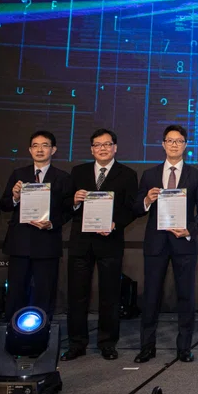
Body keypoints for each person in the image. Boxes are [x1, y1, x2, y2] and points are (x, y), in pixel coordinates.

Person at [133, 125, 198, 364]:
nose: (174, 145)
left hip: (183, 242)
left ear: (185, 145)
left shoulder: (196, 175)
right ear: (163, 144)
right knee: (151, 296)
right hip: (156, 243)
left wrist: (191, 229)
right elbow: (137, 207)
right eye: (170, 140)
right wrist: (147, 199)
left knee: (185, 295)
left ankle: (184, 347)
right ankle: (147, 346)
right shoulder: (149, 174)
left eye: (179, 141)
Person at [63, 128, 138, 361]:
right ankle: (77, 343)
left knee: (110, 295)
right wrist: (74, 201)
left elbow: (132, 208)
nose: (103, 148)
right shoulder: (78, 172)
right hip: (81, 243)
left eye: (107, 144)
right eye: (98, 145)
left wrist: (116, 223)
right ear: (92, 149)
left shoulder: (127, 174)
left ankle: (107, 343)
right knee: (77, 295)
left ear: (115, 147)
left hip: (110, 241)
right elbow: (64, 206)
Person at [0, 130, 73, 322]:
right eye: (35, 145)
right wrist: (15, 197)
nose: (40, 150)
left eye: (45, 145)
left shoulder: (63, 177)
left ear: (54, 149)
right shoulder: (19, 174)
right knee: (15, 293)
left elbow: (68, 210)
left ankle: (42, 338)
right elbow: (5, 204)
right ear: (29, 150)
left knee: (45, 293)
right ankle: (12, 339)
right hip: (20, 243)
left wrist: (52, 223)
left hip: (47, 243)